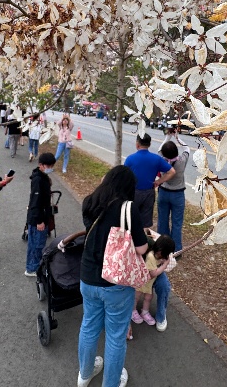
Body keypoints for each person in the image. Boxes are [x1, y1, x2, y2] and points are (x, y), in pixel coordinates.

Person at [78, 166, 148, 387]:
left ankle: (85, 374)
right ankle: (111, 382)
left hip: (88, 277)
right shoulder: (128, 209)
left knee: (89, 326)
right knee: (116, 336)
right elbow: (142, 249)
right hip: (116, 282)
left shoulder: (90, 201)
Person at [123, 133, 175, 229]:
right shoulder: (156, 159)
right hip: (149, 193)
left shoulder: (130, 159)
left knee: (130, 219)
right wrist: (159, 181)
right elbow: (172, 172)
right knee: (145, 223)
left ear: (137, 144)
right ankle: (144, 241)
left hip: (133, 192)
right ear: (149, 144)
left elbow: (123, 176)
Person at [24, 152, 57, 277]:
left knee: (37, 244)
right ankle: (33, 268)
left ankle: (34, 266)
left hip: (41, 215)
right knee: (37, 245)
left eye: (51, 165)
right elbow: (35, 202)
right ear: (41, 165)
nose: (50, 168)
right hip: (38, 218)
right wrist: (39, 221)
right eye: (48, 166)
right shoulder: (38, 180)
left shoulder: (41, 177)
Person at [157, 133, 190, 253]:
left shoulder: (161, 160)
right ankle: (176, 250)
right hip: (178, 195)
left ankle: (161, 247)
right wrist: (177, 137)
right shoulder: (182, 160)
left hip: (163, 193)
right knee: (177, 223)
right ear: (176, 151)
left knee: (162, 220)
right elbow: (186, 148)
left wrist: (167, 137)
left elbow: (160, 149)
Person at [131, 235, 175, 327]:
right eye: (165, 254)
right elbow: (153, 274)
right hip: (142, 282)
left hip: (148, 284)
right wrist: (164, 265)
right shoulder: (151, 256)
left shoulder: (158, 256)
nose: (166, 257)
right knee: (136, 297)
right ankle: (133, 311)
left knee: (148, 298)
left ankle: (145, 312)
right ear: (160, 251)